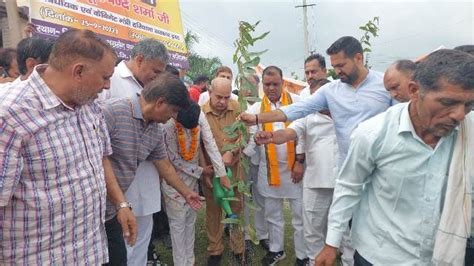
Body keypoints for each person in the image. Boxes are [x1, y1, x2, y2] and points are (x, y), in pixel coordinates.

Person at [311, 49, 474, 265]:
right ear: (415, 91)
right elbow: (349, 186)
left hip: (445, 255)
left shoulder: (468, 131)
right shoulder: (373, 134)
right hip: (381, 255)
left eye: (469, 105)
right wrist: (332, 243)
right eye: (447, 103)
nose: (459, 115)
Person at [0, 29, 125, 264]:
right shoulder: (11, 113)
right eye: (105, 77)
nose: (108, 86)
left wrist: (121, 203)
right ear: (78, 71)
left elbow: (101, 158)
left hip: (90, 252)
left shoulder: (89, 104)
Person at [240, 36, 392, 169]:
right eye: (334, 67)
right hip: (348, 171)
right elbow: (297, 109)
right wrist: (256, 119)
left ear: (358, 58)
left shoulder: (385, 84)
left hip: (382, 166)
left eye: (341, 65)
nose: (337, 72)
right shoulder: (331, 90)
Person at [102, 73, 203, 266]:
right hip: (95, 206)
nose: (173, 118)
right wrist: (122, 204)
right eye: (173, 111)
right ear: (160, 103)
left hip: (113, 208)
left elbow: (163, 164)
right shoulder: (112, 113)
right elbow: (99, 161)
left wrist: (186, 192)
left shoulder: (155, 129)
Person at [98, 38, 171, 266]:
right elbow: (100, 139)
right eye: (155, 71)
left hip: (147, 179)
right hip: (117, 184)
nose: (157, 77)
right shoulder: (111, 81)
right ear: (139, 60)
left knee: (141, 241)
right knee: (119, 244)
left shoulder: (149, 86)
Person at [243, 66, 306, 265]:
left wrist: (299, 161)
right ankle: (276, 250)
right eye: (267, 84)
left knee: (299, 216)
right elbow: (250, 139)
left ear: (283, 83)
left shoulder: (296, 104)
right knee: (272, 214)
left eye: (275, 84)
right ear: (262, 84)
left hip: (295, 169)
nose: (271, 88)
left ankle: (302, 255)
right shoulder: (254, 110)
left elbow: (303, 133)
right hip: (268, 170)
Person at [162, 100, 228, 266]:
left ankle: (190, 261)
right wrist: (200, 171)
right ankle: (180, 263)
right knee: (178, 225)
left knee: (190, 221)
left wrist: (222, 174)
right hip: (173, 182)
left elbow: (210, 144)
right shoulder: (168, 124)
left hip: (192, 181)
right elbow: (173, 159)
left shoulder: (199, 116)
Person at [201, 77, 246, 265]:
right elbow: (198, 144)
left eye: (226, 97)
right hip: (211, 171)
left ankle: (238, 248)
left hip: (234, 168)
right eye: (218, 97)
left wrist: (232, 151)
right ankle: (215, 250)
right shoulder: (201, 112)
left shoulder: (236, 107)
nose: (222, 102)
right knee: (213, 211)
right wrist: (204, 169)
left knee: (236, 208)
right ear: (210, 92)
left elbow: (244, 134)